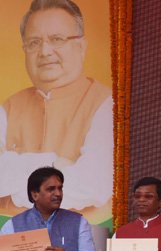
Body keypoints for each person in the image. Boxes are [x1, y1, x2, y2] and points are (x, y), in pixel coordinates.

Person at [0, 0, 113, 216]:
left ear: (81, 46)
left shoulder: (106, 104)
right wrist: (52, 161)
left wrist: (13, 181)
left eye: (57, 39)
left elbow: (92, 185)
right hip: (13, 239)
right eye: (34, 42)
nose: (44, 51)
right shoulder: (9, 107)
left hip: (82, 235)